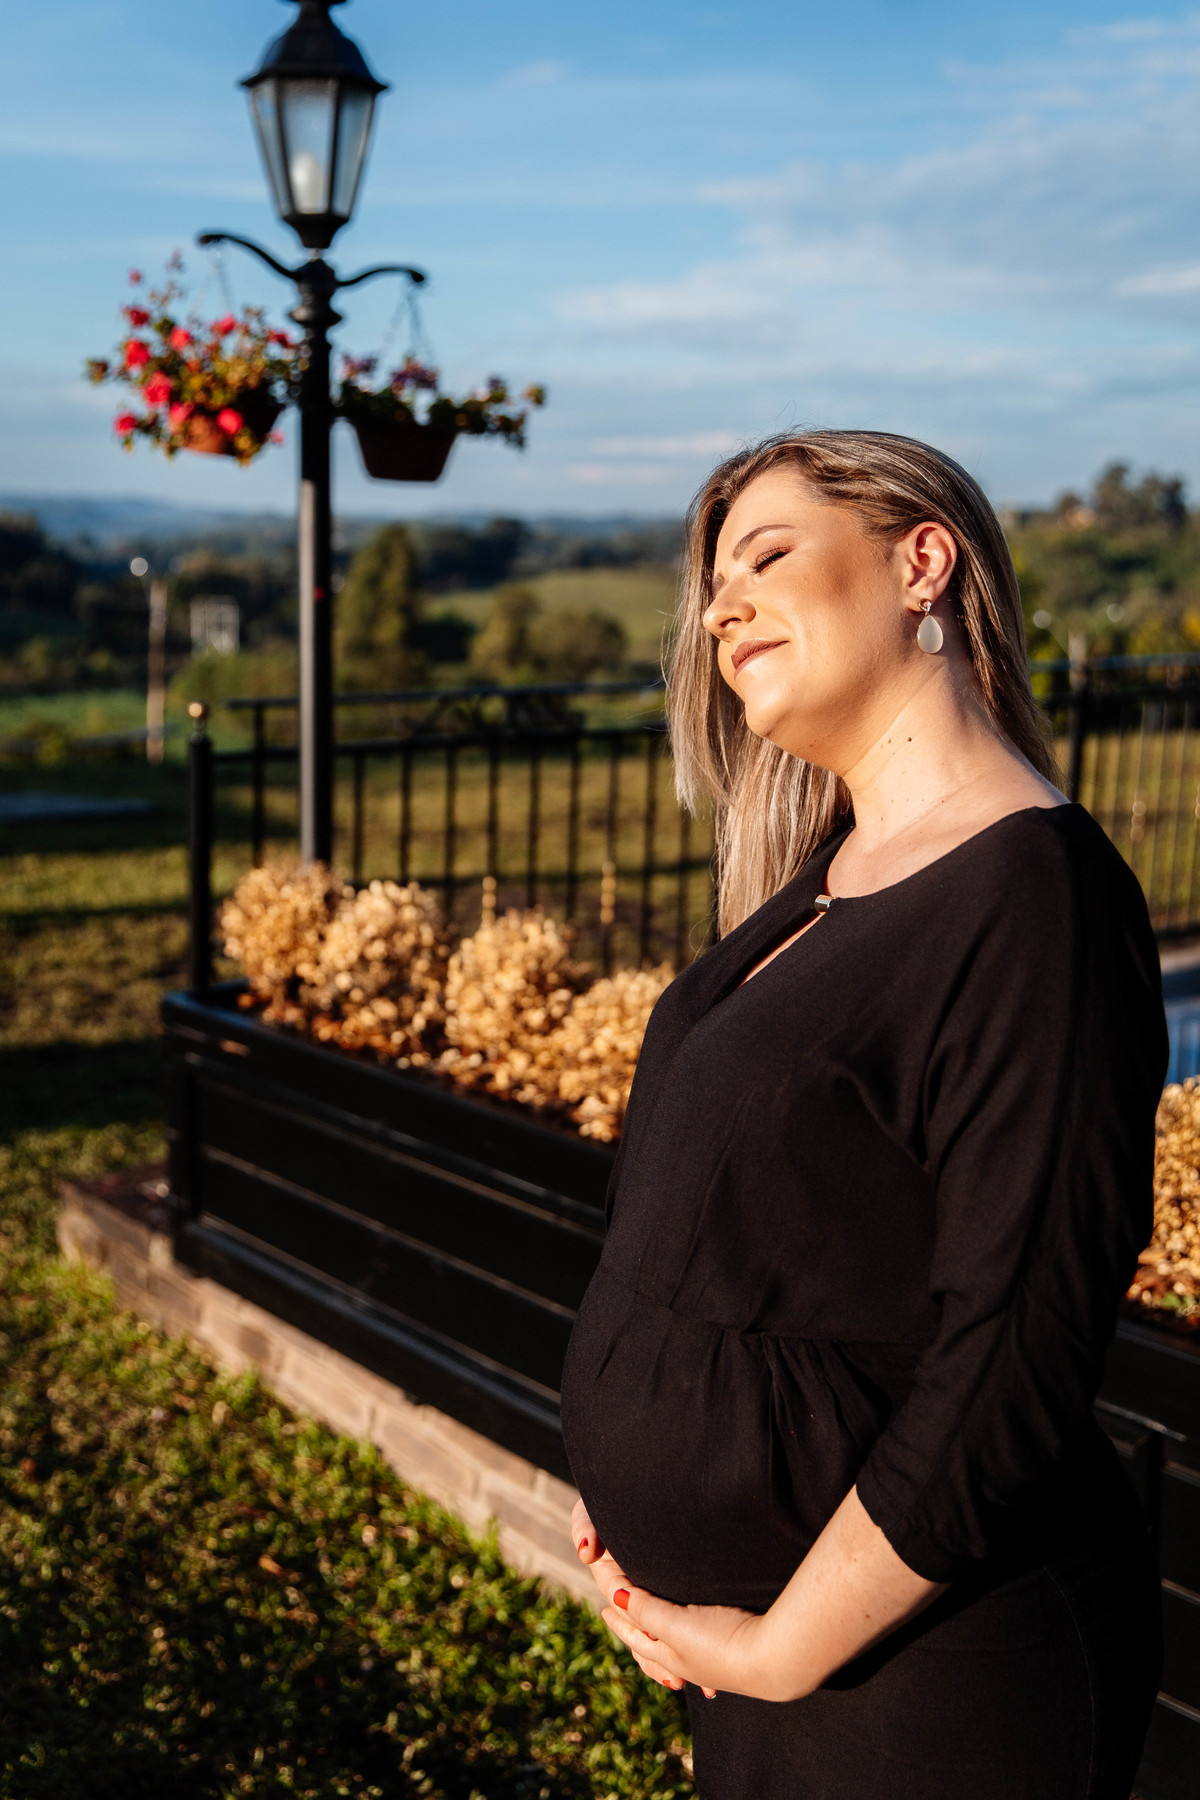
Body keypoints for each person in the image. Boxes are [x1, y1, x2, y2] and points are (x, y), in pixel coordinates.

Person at [559, 431, 1166, 1800]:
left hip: (930, 1677)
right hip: (770, 1654)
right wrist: (632, 1482)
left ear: (921, 562)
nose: (722, 611)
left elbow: (1016, 1354)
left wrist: (779, 1651)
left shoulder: (1035, 897)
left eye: (766, 556)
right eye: (713, 588)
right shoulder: (829, 879)